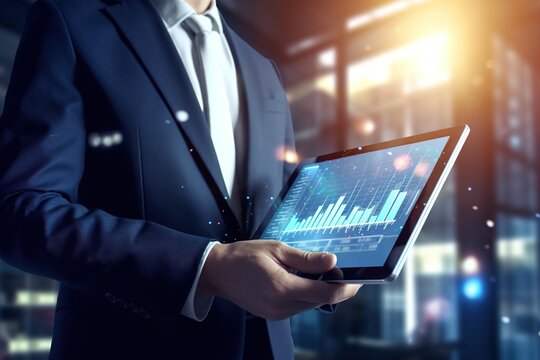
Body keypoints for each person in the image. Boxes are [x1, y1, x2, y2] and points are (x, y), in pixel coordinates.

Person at [0, 0, 360, 358]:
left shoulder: (264, 69)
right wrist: (205, 268)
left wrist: (332, 259)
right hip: (125, 346)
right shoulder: (70, 24)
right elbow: (21, 210)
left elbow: (278, 219)